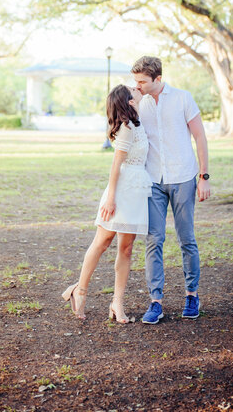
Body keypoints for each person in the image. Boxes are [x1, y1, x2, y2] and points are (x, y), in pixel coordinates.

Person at [62, 84, 152, 323]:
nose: (137, 88)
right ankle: (79, 291)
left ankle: (117, 303)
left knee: (126, 249)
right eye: (133, 89)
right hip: (120, 191)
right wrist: (111, 197)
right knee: (102, 241)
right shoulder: (126, 129)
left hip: (137, 191)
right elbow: (115, 165)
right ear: (128, 101)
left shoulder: (138, 123)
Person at [131, 56, 211, 323]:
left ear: (158, 79)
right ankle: (156, 301)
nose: (138, 85)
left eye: (142, 81)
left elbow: (199, 136)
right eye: (136, 80)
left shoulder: (182, 98)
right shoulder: (138, 103)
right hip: (152, 180)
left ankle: (192, 295)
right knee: (154, 240)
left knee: (186, 239)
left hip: (183, 177)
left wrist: (204, 176)